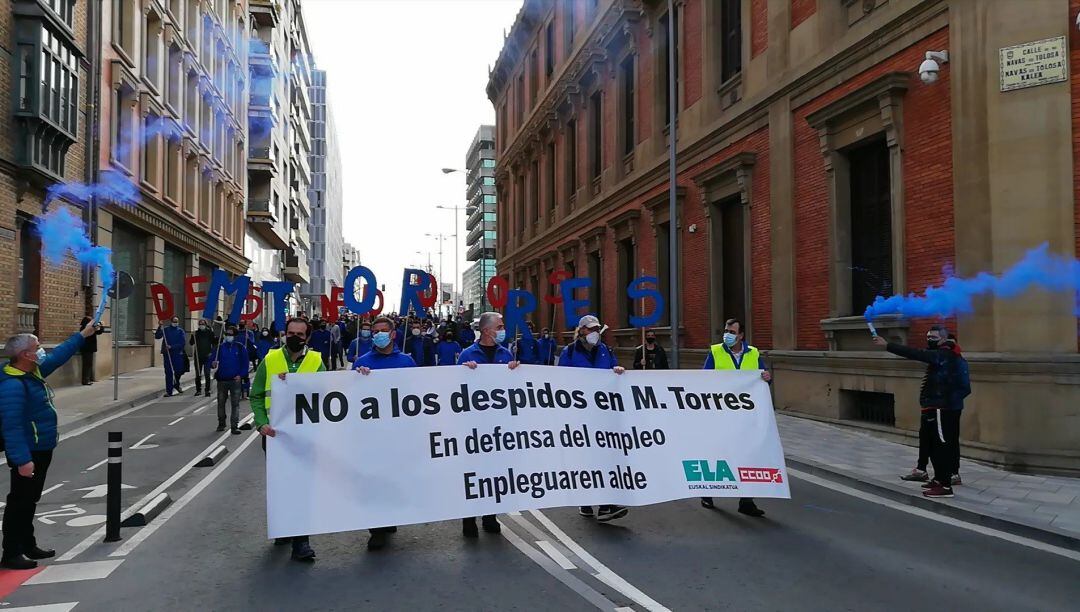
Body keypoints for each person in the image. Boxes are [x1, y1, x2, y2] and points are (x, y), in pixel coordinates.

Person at [0, 320, 97, 569]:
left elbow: (59, 355)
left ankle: (27, 543)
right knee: (19, 501)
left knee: (30, 499)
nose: (42, 351)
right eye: (37, 347)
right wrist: (22, 461)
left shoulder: (33, 372)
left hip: (41, 447)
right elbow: (11, 428)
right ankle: (12, 552)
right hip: (29, 451)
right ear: (25, 355)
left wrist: (83, 335)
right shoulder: (13, 385)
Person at [251, 318, 325, 562]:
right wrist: (261, 423)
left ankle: (301, 542)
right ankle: (283, 528)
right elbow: (257, 396)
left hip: (305, 438)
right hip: (275, 437)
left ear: (307, 337)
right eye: (290, 333)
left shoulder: (316, 361)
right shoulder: (270, 360)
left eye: (299, 334)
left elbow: (326, 395)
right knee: (280, 486)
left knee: (300, 487)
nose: (294, 337)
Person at [873, 325, 967, 498]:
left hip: (941, 408)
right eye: (928, 336)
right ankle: (938, 479)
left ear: (944, 339)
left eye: (933, 337)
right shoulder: (946, 354)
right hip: (936, 407)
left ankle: (945, 485)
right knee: (933, 445)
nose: (929, 340)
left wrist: (888, 345)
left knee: (941, 446)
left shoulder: (945, 355)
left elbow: (917, 354)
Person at [352, 316, 416, 550]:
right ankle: (376, 529)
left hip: (398, 434)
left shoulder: (407, 362)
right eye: (374, 330)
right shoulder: (362, 361)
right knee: (374, 479)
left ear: (392, 335)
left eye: (382, 331)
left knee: (393, 478)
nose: (377, 334)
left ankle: (389, 518)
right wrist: (358, 378)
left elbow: (416, 396)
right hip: (372, 434)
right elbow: (351, 396)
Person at [557, 315, 629, 522]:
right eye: (591, 329)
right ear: (581, 331)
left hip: (602, 414)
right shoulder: (569, 352)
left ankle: (606, 504)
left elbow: (614, 375)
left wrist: (618, 371)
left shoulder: (606, 351)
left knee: (604, 458)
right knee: (584, 459)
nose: (595, 332)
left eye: (597, 328)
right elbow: (559, 382)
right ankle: (585, 499)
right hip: (579, 416)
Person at [701, 318, 771, 517]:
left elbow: (762, 379)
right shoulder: (716, 352)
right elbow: (703, 379)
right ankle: (707, 492)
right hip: (721, 414)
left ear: (741, 335)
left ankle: (746, 501)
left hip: (745, 416)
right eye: (725, 330)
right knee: (717, 454)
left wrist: (767, 378)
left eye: (731, 331)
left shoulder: (753, 353)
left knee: (746, 455)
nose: (727, 335)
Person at [458, 312, 520, 536]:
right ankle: (469, 519)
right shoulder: (468, 354)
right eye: (500, 326)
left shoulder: (506, 354)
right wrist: (466, 371)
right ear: (486, 331)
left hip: (499, 426)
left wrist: (516, 372)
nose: (503, 330)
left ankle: (490, 516)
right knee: (474, 473)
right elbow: (456, 388)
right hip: (475, 427)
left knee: (495, 472)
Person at [209, 325, 248, 434]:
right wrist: (213, 364)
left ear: (235, 336)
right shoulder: (219, 348)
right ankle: (221, 423)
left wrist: (241, 375)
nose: (228, 336)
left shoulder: (240, 348)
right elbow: (212, 361)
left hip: (235, 380)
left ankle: (234, 426)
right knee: (221, 403)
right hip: (222, 380)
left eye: (230, 334)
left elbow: (245, 364)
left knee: (235, 404)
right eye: (227, 334)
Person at [155, 316, 188, 396]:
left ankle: (176, 383)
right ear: (171, 322)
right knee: (168, 372)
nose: (175, 323)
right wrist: (160, 326)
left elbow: (182, 343)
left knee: (179, 370)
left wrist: (172, 346)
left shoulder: (180, 331)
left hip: (177, 354)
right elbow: (157, 336)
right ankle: (169, 391)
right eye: (174, 321)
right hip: (168, 354)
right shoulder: (166, 330)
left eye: (176, 321)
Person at [190, 318, 216, 397]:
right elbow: (191, 343)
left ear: (205, 324)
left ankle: (207, 390)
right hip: (198, 356)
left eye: (203, 324)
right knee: (198, 374)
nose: (201, 325)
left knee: (207, 374)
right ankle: (198, 390)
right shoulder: (196, 333)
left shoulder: (209, 332)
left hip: (207, 356)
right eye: (200, 324)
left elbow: (214, 343)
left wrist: (211, 353)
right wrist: (192, 336)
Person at [78, 316, 103, 385]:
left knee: (88, 364)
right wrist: (99, 325)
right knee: (87, 364)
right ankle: (86, 380)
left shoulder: (86, 328)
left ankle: (88, 379)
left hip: (88, 349)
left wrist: (100, 325)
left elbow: (99, 331)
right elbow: (98, 332)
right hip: (87, 349)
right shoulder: (86, 329)